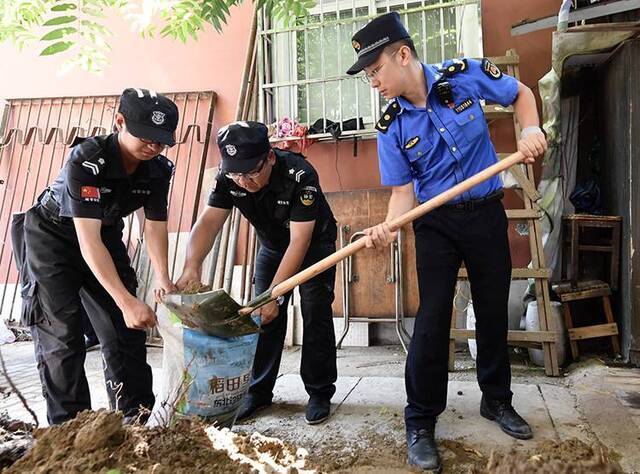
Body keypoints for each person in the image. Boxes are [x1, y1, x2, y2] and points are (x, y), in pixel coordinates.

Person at [346, 12, 548, 471]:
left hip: (485, 213)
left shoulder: (462, 77)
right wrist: (387, 228)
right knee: (433, 320)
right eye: (368, 74)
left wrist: (531, 128)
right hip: (435, 224)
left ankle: (496, 400)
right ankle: (420, 420)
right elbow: (403, 194)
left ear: (403, 55)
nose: (373, 81)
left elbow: (521, 95)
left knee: (493, 307)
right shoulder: (391, 126)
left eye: (376, 69)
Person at [12, 88, 179, 425]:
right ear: (120, 122)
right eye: (145, 137)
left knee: (125, 331)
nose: (153, 146)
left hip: (104, 232)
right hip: (52, 235)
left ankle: (135, 420)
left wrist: (163, 278)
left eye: (161, 140)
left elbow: (154, 226)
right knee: (62, 336)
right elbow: (86, 242)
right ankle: (72, 429)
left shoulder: (158, 170)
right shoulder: (88, 160)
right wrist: (125, 299)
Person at [176, 121, 338, 425]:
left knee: (315, 312)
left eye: (251, 173)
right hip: (273, 246)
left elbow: (300, 241)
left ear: (270, 157)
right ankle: (259, 391)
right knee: (263, 318)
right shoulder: (229, 177)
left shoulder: (300, 175)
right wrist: (191, 265)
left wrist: (273, 296)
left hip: (314, 245)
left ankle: (319, 391)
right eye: (236, 173)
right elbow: (209, 222)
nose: (243, 181)